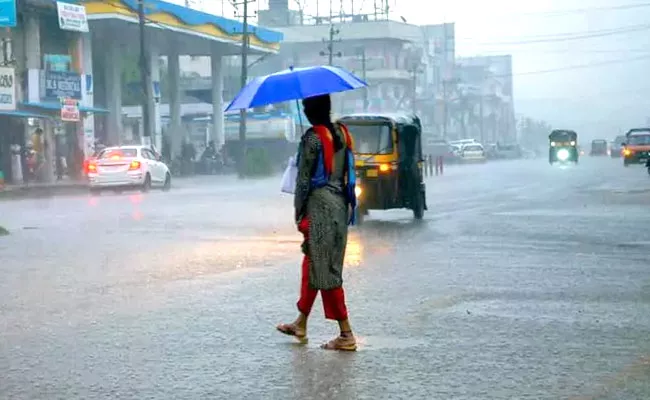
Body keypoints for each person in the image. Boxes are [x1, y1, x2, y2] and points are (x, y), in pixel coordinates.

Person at [276, 94, 358, 351]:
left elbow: (302, 180)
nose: (304, 110)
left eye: (305, 106)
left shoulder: (312, 138)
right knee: (314, 264)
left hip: (319, 207)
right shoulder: (343, 133)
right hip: (340, 205)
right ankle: (301, 322)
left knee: (325, 271)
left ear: (312, 110)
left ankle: (346, 334)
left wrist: (298, 211)